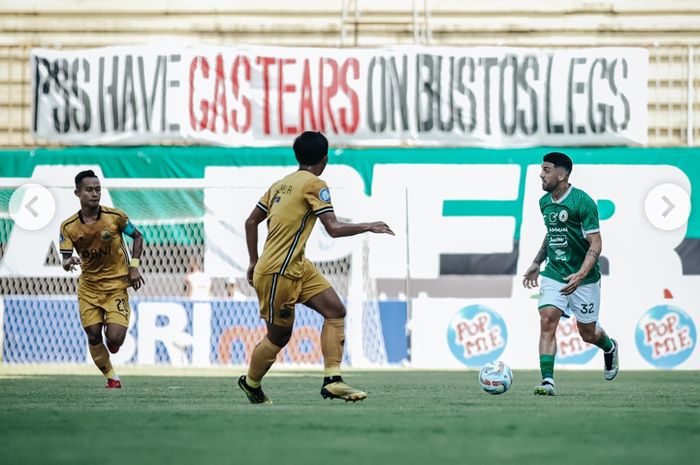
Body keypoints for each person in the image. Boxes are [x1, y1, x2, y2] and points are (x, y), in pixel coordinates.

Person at [238, 131, 394, 404]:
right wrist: (368, 225)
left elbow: (251, 222)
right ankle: (251, 383)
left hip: (296, 265)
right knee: (279, 337)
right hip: (278, 271)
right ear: (325, 158)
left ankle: (332, 381)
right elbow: (332, 228)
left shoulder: (280, 184)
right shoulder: (315, 184)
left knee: (335, 310)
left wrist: (253, 261)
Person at [522, 152, 619, 396]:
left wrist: (580, 273)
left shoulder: (582, 202)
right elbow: (552, 232)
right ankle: (547, 381)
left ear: (561, 174)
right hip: (554, 272)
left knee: (588, 334)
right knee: (547, 320)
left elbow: (596, 243)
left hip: (585, 278)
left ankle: (609, 347)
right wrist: (537, 262)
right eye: (541, 169)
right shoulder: (544, 202)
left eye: (546, 170)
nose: (541, 174)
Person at [60, 170, 145, 389]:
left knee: (115, 339)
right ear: (77, 193)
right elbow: (66, 259)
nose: (95, 194)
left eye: (98, 189)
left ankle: (113, 341)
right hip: (89, 288)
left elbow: (137, 236)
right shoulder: (69, 227)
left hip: (116, 286)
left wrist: (134, 267)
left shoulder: (115, 218)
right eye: (89, 190)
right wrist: (68, 263)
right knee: (93, 333)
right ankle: (112, 377)